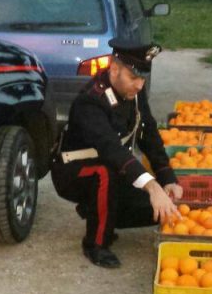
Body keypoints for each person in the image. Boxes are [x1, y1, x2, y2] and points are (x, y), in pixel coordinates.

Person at [51, 39, 183, 268]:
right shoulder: (90, 101)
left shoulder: (134, 93)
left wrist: (166, 177)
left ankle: (100, 211)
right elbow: (111, 149)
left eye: (143, 78)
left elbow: (147, 132)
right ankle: (96, 244)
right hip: (73, 171)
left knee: (160, 207)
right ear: (114, 69)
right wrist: (152, 186)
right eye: (133, 77)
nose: (139, 85)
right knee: (105, 175)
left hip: (112, 164)